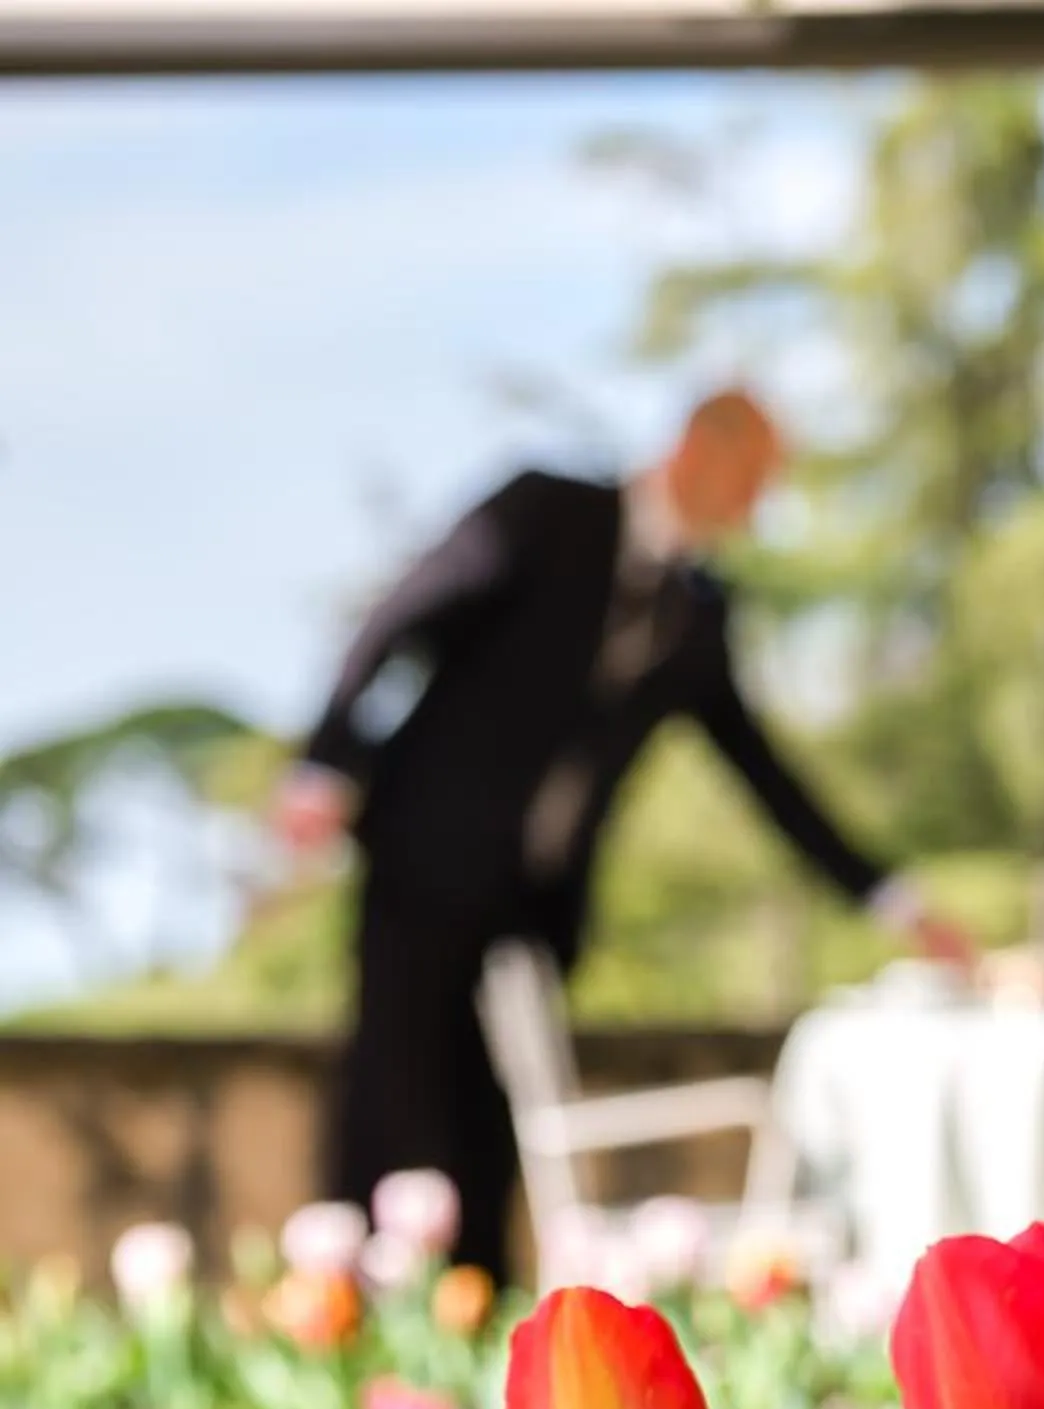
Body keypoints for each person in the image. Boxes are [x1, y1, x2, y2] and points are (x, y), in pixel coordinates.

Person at [276, 390, 972, 1278]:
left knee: (492, 1135)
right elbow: (401, 615)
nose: (753, 509)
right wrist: (325, 765)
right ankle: (343, 1309)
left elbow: (766, 774)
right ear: (695, 449)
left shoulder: (697, 611)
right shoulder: (544, 512)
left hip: (533, 910)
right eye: (750, 482)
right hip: (423, 869)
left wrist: (891, 898)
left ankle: (474, 1315)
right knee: (390, 1102)